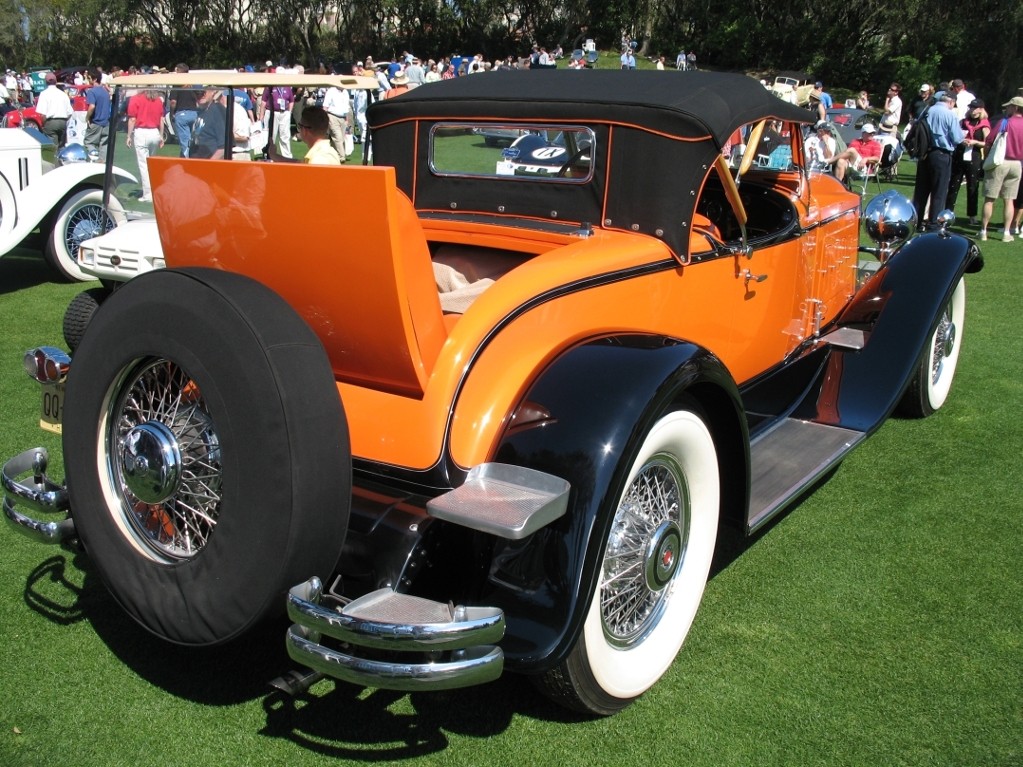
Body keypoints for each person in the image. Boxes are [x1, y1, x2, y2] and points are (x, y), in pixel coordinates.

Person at [912, 90, 963, 229]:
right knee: (939, 191)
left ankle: (916, 221)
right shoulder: (949, 114)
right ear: (951, 102)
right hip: (941, 154)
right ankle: (933, 223)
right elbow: (958, 138)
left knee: (921, 191)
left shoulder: (926, 110)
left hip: (924, 154)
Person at [978, 96, 1023, 242]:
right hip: (1017, 164)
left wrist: (985, 158)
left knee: (990, 199)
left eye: (1009, 106)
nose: (1007, 109)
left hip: (1000, 161)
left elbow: (989, 140)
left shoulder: (1004, 122)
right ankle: (1006, 233)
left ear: (1015, 108)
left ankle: (983, 231)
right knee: (1009, 200)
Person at [947, 99, 990, 225]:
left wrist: (975, 142)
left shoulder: (984, 125)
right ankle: (948, 212)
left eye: (975, 108)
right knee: (953, 185)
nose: (972, 110)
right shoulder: (963, 122)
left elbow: (987, 143)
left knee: (972, 187)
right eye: (971, 107)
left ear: (981, 109)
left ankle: (972, 215)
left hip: (974, 156)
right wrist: (962, 140)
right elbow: (955, 136)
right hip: (960, 155)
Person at [126, 88, 166, 201]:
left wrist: (128, 135)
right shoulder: (158, 100)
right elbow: (161, 119)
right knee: (151, 164)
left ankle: (148, 194)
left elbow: (132, 119)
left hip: (142, 132)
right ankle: (152, 190)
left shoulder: (135, 99)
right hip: (154, 132)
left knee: (144, 165)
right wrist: (161, 136)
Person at [270, 105, 340, 165]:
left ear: (305, 130)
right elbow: (298, 164)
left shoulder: (317, 160)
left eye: (300, 126)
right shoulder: (329, 152)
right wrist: (274, 155)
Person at [169, 64, 200, 158]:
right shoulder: (193, 84)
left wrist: (172, 113)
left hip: (181, 114)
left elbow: (173, 102)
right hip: (194, 113)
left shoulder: (177, 84)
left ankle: (188, 161)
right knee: (191, 139)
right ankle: (184, 158)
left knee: (185, 142)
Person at [35, 72, 73, 148]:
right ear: (56, 81)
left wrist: (43, 125)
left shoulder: (44, 94)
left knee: (53, 147)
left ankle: (55, 159)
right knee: (61, 146)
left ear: (46, 82)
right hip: (63, 122)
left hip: (50, 122)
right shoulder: (63, 94)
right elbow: (70, 112)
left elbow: (43, 114)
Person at [189, 87, 227, 160]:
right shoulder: (200, 111)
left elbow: (223, 147)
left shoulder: (218, 110)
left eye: (203, 92)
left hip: (209, 166)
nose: (200, 95)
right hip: (195, 164)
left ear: (213, 92)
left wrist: (209, 165)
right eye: (197, 93)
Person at [83, 67, 111, 159]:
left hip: (96, 122)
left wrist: (87, 118)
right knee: (104, 144)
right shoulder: (105, 91)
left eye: (89, 78)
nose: (88, 80)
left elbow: (92, 106)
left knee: (88, 142)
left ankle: (94, 157)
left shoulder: (92, 91)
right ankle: (102, 162)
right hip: (106, 123)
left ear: (94, 79)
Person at [261, 82, 294, 159]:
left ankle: (287, 156)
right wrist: (261, 116)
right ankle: (268, 154)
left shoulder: (287, 87)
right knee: (271, 135)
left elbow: (291, 100)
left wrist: (289, 112)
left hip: (284, 113)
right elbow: (263, 101)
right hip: (272, 112)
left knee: (285, 135)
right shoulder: (270, 87)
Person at [322, 82, 350, 160]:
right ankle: (342, 156)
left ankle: (334, 155)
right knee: (337, 137)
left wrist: (347, 119)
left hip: (343, 118)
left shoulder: (345, 92)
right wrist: (324, 119)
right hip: (332, 116)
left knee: (341, 139)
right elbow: (325, 105)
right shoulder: (331, 91)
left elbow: (346, 106)